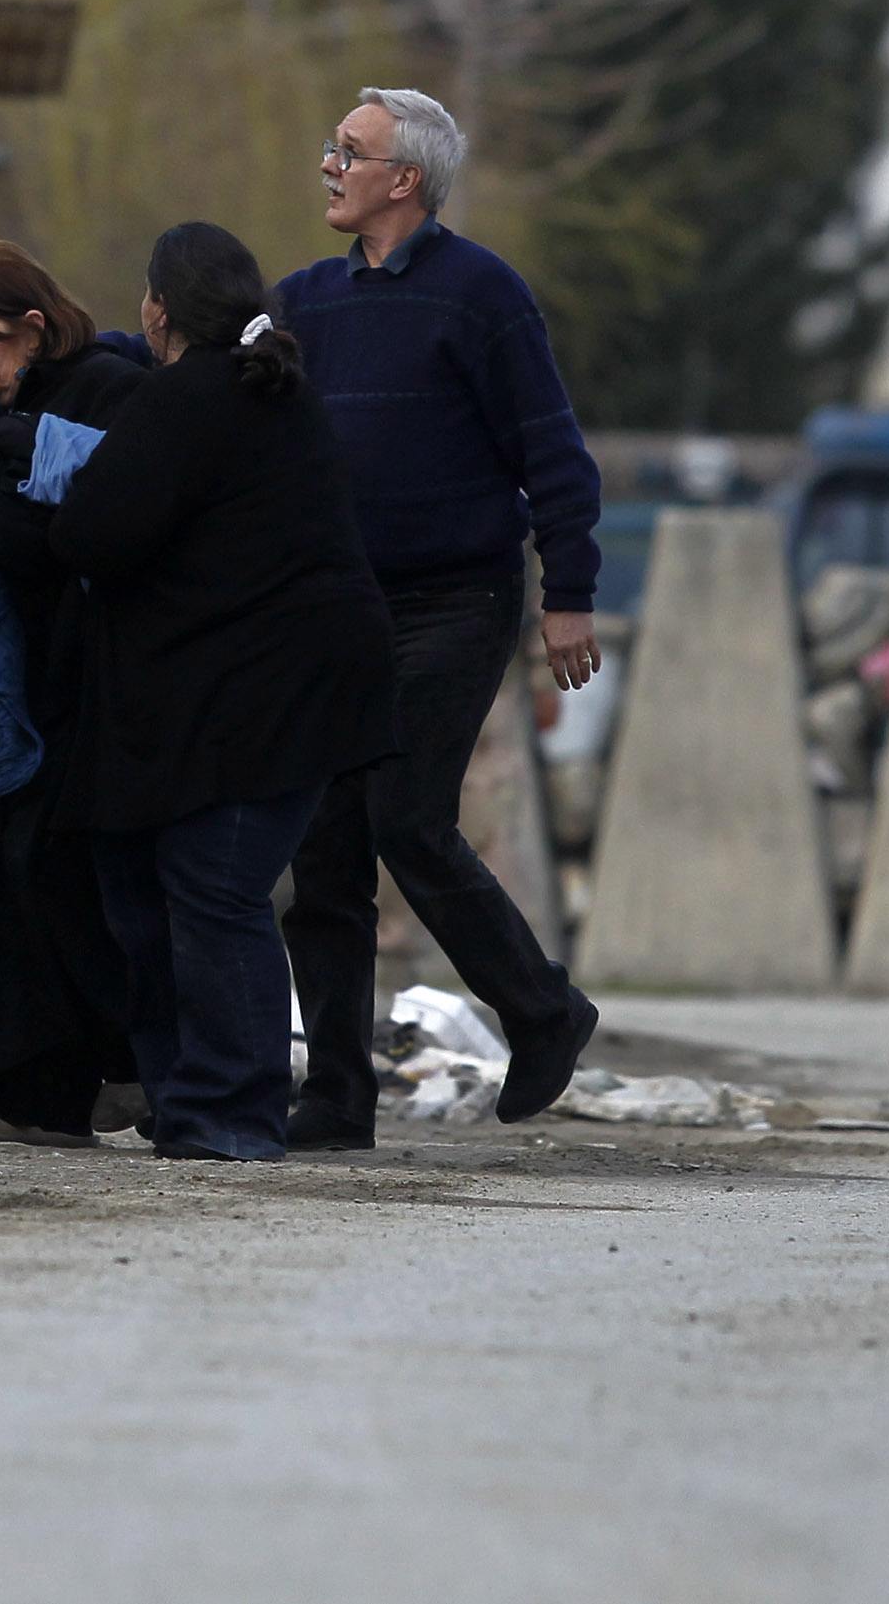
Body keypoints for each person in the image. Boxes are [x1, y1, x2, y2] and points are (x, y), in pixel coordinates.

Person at [0, 223, 395, 1162]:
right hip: (252, 694)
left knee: (214, 891)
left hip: (258, 700)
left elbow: (95, 532)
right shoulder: (261, 393)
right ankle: (186, 1100)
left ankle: (232, 1113)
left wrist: (4, 494)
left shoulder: (192, 398)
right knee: (144, 888)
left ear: (158, 308)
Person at [271, 87, 603, 1147]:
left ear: (402, 178)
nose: (327, 163)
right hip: (333, 607)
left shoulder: (480, 294)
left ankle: (542, 1009)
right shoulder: (304, 303)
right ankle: (334, 1092)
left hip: (453, 599)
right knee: (319, 845)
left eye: (348, 149)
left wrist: (567, 595)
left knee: (403, 817)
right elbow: (198, 381)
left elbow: (552, 453)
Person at [0, 243, 144, 1146]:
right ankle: (33, 1096)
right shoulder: (7, 414)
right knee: (10, 897)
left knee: (61, 893)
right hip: (7, 701)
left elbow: (61, 533)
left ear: (33, 326)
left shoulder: (104, 393)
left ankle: (108, 1073)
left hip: (73, 695)